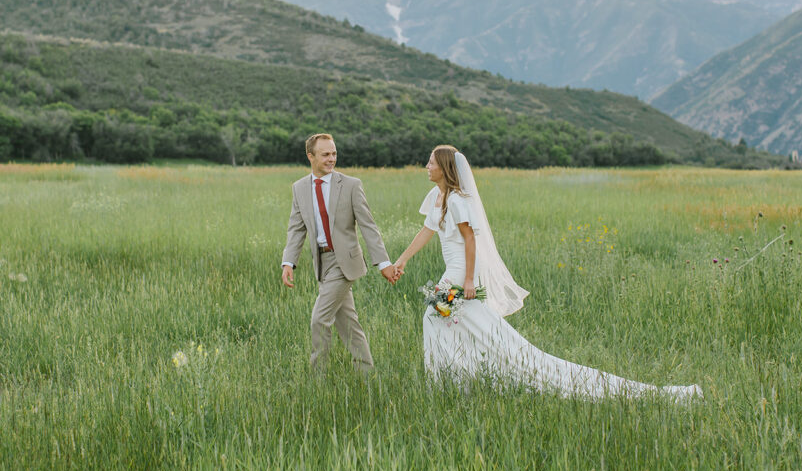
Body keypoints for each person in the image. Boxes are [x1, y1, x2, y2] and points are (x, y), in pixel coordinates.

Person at [393, 144, 701, 400]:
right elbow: (426, 231)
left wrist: (470, 280)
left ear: (444, 168)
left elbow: (471, 240)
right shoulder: (437, 198)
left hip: (459, 275)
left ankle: (458, 380)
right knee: (460, 325)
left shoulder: (459, 201)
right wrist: (403, 259)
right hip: (453, 270)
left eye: (430, 163)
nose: (426, 167)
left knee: (435, 317)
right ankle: (461, 379)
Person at [281, 133, 399, 371]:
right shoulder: (300, 188)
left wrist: (383, 262)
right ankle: (366, 374)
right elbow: (296, 229)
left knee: (319, 319)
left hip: (345, 262)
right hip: (322, 263)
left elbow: (368, 226)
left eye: (334, 153)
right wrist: (288, 263)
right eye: (325, 154)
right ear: (310, 156)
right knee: (348, 324)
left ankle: (318, 379)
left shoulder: (351, 185)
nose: (331, 159)